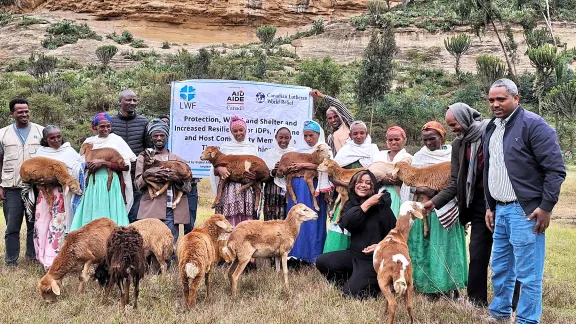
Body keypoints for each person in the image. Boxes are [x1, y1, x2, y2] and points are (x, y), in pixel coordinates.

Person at [484, 79, 565, 323]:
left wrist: (546, 207)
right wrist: (490, 206)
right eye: (491, 100)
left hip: (526, 211)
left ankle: (528, 320)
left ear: (516, 99)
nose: (495, 104)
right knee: (500, 268)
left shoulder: (534, 125)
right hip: (500, 209)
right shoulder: (492, 127)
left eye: (501, 99)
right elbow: (492, 168)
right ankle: (499, 313)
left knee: (528, 274)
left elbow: (555, 170)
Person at [400, 121, 467, 299]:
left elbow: (458, 184)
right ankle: (426, 287)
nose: (429, 143)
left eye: (432, 139)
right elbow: (409, 182)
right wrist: (420, 190)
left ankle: (450, 286)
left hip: (447, 208)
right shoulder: (418, 158)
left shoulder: (453, 156)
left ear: (442, 137)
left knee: (446, 248)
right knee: (424, 247)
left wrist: (435, 192)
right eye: (425, 140)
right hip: (423, 211)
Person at [316, 170, 397, 298]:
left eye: (368, 183)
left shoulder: (382, 208)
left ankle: (374, 285)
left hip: (373, 259)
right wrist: (368, 203)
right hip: (354, 254)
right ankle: (349, 281)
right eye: (359, 182)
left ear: (373, 187)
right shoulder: (349, 205)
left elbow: (395, 235)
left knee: (350, 294)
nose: (363, 185)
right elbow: (349, 223)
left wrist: (380, 246)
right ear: (354, 185)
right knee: (322, 261)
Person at [70, 113, 136, 231]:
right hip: (93, 183)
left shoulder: (117, 140)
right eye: (102, 126)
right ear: (94, 127)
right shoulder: (89, 142)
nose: (105, 129)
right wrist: (88, 165)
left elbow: (125, 166)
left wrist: (104, 163)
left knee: (112, 216)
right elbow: (80, 163)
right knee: (93, 213)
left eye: (108, 126)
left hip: (111, 184)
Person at [30, 126, 84, 270]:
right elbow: (33, 172)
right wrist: (41, 180)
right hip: (44, 194)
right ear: (45, 140)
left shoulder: (70, 152)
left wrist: (55, 180)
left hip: (63, 194)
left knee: (58, 226)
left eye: (58, 136)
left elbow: (77, 172)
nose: (56, 140)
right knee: (41, 224)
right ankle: (41, 256)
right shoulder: (40, 153)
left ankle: (53, 260)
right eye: (52, 138)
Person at [0, 98, 44, 267]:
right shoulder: (2, 134)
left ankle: (32, 257)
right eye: (20, 112)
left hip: (36, 187)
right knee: (12, 227)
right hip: (12, 187)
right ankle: (11, 261)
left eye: (26, 111)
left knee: (34, 224)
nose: (24, 114)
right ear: (12, 114)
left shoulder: (41, 131)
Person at [324, 121, 379, 253]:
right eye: (355, 133)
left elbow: (376, 174)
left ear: (367, 134)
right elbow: (333, 176)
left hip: (367, 198)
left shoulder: (373, 150)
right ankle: (337, 255)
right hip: (346, 197)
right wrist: (348, 186)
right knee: (343, 221)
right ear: (350, 135)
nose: (359, 136)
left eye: (362, 133)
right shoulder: (345, 151)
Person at [134, 119, 192, 244]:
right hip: (151, 207)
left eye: (162, 135)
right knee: (149, 246)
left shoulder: (178, 160)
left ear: (167, 137)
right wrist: (146, 176)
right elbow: (138, 184)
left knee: (168, 245)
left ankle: (169, 263)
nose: (159, 138)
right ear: (151, 138)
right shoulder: (144, 158)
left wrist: (176, 179)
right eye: (155, 135)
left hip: (172, 209)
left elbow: (188, 188)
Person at [283, 120, 331, 264]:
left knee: (314, 218)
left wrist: (304, 165)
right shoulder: (298, 150)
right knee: (297, 218)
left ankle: (314, 255)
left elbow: (327, 166)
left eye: (311, 135)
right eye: (305, 136)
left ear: (318, 134)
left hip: (315, 187)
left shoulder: (324, 149)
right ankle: (296, 254)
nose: (308, 139)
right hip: (297, 188)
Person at [110, 90, 153, 223]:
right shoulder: (110, 122)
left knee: (135, 207)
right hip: (115, 172)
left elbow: (148, 147)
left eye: (135, 100)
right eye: (128, 100)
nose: (132, 103)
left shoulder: (143, 122)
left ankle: (132, 236)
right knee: (116, 204)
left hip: (136, 172)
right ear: (120, 101)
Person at [210, 115, 259, 226]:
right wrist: (219, 168)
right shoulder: (225, 147)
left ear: (246, 130)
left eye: (241, 130)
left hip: (247, 190)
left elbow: (257, 166)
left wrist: (255, 176)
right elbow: (215, 166)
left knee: (247, 223)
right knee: (229, 220)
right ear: (231, 132)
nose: (238, 133)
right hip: (229, 189)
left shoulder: (252, 147)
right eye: (235, 131)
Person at [156, 114, 198, 234]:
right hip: (166, 189)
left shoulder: (187, 138)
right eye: (162, 124)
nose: (165, 125)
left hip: (188, 183)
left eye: (167, 124)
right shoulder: (159, 145)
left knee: (189, 222)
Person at [373, 126, 412, 217]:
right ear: (387, 141)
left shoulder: (409, 158)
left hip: (399, 196)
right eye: (390, 140)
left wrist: (400, 181)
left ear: (404, 140)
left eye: (397, 139)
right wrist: (382, 180)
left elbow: (412, 179)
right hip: (379, 193)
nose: (393, 142)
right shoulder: (379, 156)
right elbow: (371, 174)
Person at [261, 127, 295, 221]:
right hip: (272, 191)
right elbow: (263, 174)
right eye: (281, 137)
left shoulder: (294, 153)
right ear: (276, 137)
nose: (283, 141)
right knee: (271, 221)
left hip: (290, 190)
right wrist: (274, 171)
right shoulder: (269, 154)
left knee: (288, 219)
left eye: (286, 138)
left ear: (290, 138)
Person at [310, 89, 354, 156]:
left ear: (340, 116)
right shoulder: (330, 138)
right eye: (330, 118)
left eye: (336, 116)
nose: (333, 120)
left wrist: (322, 96)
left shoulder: (350, 126)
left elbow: (340, 106)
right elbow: (333, 157)